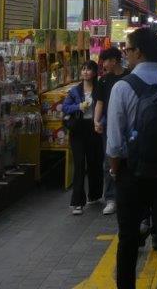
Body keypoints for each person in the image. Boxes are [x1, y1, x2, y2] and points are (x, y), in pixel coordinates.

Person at [106, 27, 157, 289]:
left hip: (133, 174)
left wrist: (116, 170)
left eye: (127, 49)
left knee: (128, 240)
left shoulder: (122, 87)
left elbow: (115, 143)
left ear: (138, 52)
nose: (125, 54)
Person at [61, 61, 106, 214]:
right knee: (79, 164)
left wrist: (101, 122)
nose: (86, 72)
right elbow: (65, 107)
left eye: (89, 69)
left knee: (95, 162)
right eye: (84, 69)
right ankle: (77, 202)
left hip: (94, 129)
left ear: (94, 72)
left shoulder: (99, 89)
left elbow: (104, 108)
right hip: (78, 130)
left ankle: (95, 195)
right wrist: (78, 107)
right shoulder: (74, 91)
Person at [95, 47, 126, 215]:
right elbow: (100, 102)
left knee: (125, 159)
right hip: (108, 126)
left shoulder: (129, 77)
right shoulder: (104, 80)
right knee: (108, 161)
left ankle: (125, 195)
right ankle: (111, 198)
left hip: (127, 126)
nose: (103, 64)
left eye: (105, 60)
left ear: (114, 60)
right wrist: (96, 121)